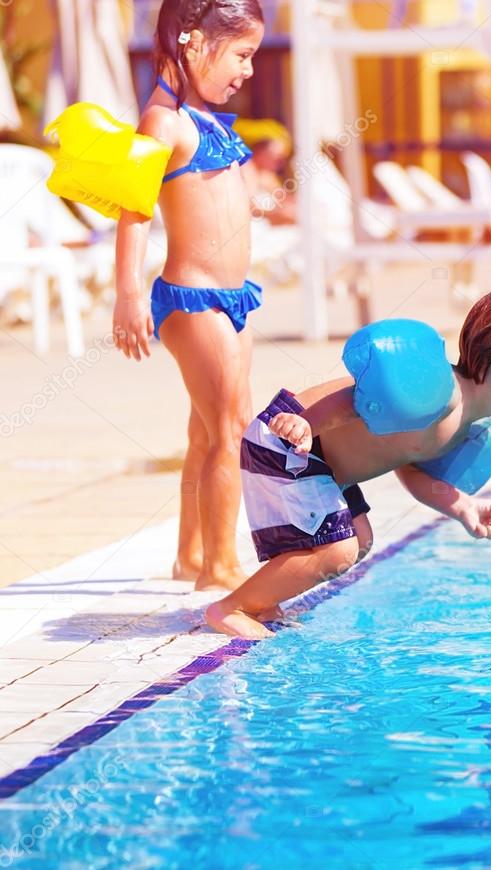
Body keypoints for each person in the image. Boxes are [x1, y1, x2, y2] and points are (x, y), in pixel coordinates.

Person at [205, 281, 491, 639]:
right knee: (338, 551)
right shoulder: (439, 394)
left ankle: (264, 600)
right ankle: (230, 608)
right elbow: (355, 400)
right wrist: (306, 424)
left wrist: (463, 507)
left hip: (323, 462)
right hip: (291, 440)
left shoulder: (465, 424)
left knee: (360, 540)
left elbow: (411, 464)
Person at [114, 0, 265, 589]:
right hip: (192, 299)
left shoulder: (206, 119)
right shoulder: (163, 122)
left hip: (232, 299)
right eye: (243, 55)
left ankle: (192, 555)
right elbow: (134, 209)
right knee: (232, 429)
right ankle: (220, 570)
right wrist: (128, 294)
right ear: (195, 42)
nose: (249, 71)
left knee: (208, 431)